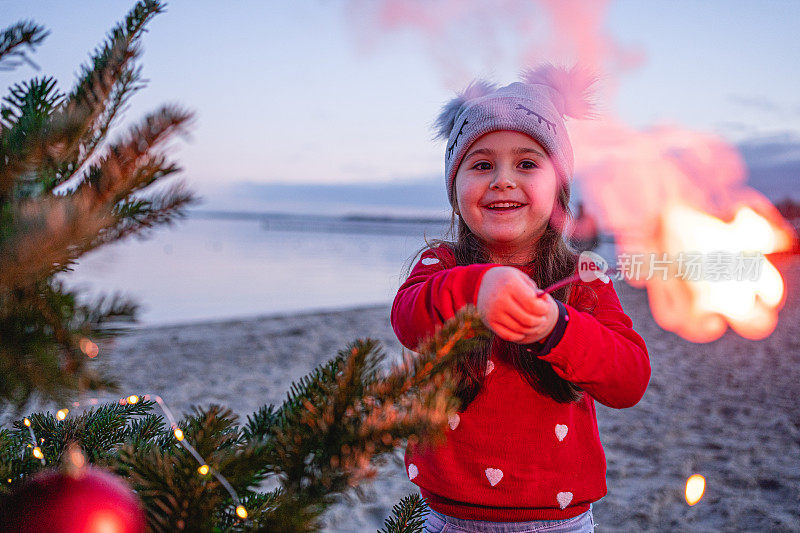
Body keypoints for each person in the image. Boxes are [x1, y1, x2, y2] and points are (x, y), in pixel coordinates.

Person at [390, 64, 650, 533]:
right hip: (449, 518)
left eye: (527, 163)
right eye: (482, 164)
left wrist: (557, 328)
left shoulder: (582, 278)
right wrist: (476, 291)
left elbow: (629, 379)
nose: (503, 180)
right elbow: (408, 320)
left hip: (561, 521)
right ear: (455, 191)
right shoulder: (441, 264)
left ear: (559, 189)